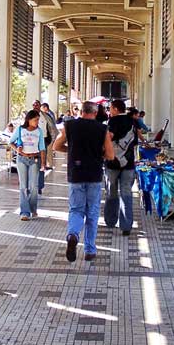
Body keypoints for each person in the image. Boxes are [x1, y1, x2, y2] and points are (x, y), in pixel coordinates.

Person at [54, 101, 115, 263]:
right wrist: (99, 152)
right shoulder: (102, 129)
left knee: (76, 209)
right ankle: (89, 249)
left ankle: (73, 234)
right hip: (94, 174)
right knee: (92, 212)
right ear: (95, 113)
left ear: (81, 111)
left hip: (76, 174)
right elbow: (110, 155)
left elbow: (56, 146)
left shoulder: (69, 125)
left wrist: (71, 149)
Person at [105, 99, 138, 236]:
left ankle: (111, 221)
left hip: (113, 163)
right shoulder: (133, 121)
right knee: (126, 194)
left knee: (111, 193)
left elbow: (109, 137)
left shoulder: (113, 121)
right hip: (128, 163)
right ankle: (126, 226)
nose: (109, 111)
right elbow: (135, 141)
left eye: (111, 108)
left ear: (116, 109)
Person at [9, 110, 46, 221]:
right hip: (22, 159)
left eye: (38, 120)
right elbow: (11, 142)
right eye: (35, 120)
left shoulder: (39, 131)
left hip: (34, 159)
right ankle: (24, 212)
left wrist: (43, 163)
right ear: (29, 120)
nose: (37, 122)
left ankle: (32, 208)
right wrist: (18, 150)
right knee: (23, 186)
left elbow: (42, 148)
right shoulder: (20, 130)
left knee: (33, 186)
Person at [32, 99, 58, 188]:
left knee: (42, 163)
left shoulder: (45, 116)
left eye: (37, 105)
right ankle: (32, 185)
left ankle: (39, 185)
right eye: (34, 105)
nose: (35, 106)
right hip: (31, 143)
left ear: (40, 106)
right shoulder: (28, 116)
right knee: (32, 164)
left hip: (43, 142)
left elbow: (51, 128)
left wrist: (50, 140)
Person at [40, 102, 58, 169]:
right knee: (48, 149)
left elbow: (51, 125)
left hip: (50, 135)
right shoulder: (50, 113)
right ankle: (48, 164)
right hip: (50, 134)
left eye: (41, 108)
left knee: (49, 149)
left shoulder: (48, 114)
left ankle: (49, 164)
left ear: (45, 108)